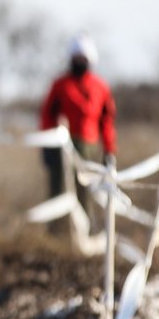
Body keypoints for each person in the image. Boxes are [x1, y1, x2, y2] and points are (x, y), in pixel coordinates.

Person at [39, 33, 117, 226]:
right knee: (59, 190)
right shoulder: (60, 85)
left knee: (86, 192)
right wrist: (47, 147)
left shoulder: (101, 87)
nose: (79, 61)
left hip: (89, 147)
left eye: (83, 58)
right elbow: (47, 116)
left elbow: (106, 121)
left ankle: (87, 229)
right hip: (62, 147)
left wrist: (109, 150)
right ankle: (56, 232)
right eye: (76, 58)